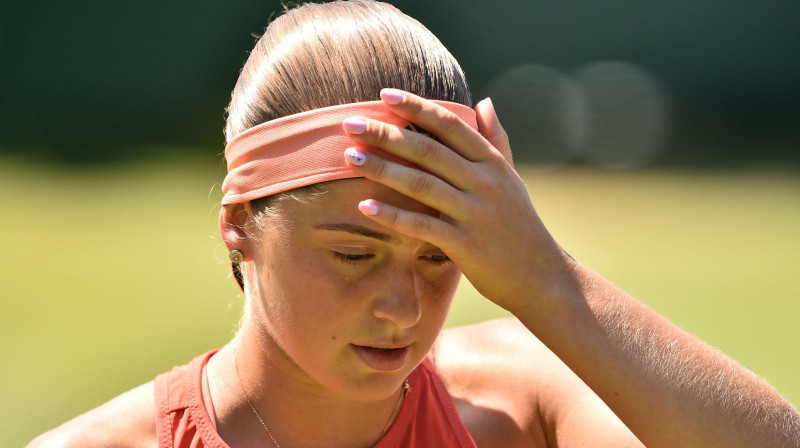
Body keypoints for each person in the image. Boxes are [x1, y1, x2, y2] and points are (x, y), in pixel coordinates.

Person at [28, 1, 800, 447]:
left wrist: (547, 282)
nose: (402, 307)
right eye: (355, 252)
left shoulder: (517, 406)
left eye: (438, 255)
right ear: (241, 226)